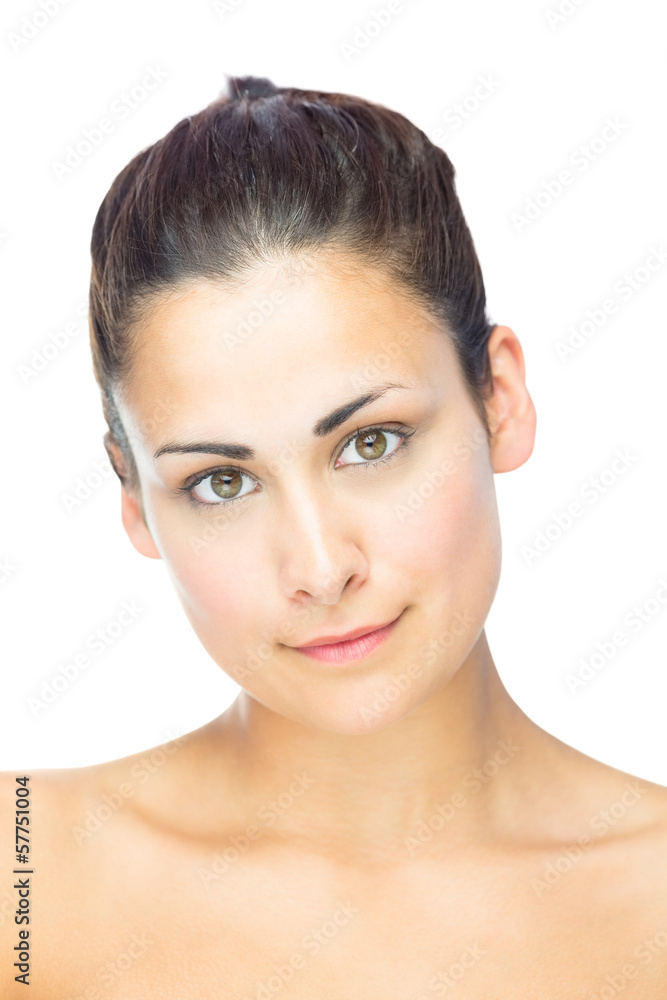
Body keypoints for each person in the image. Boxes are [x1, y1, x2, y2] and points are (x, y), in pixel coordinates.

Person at [2, 74, 666, 997]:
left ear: (498, 401)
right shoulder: (22, 880)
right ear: (133, 500)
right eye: (221, 482)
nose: (318, 567)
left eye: (370, 442)